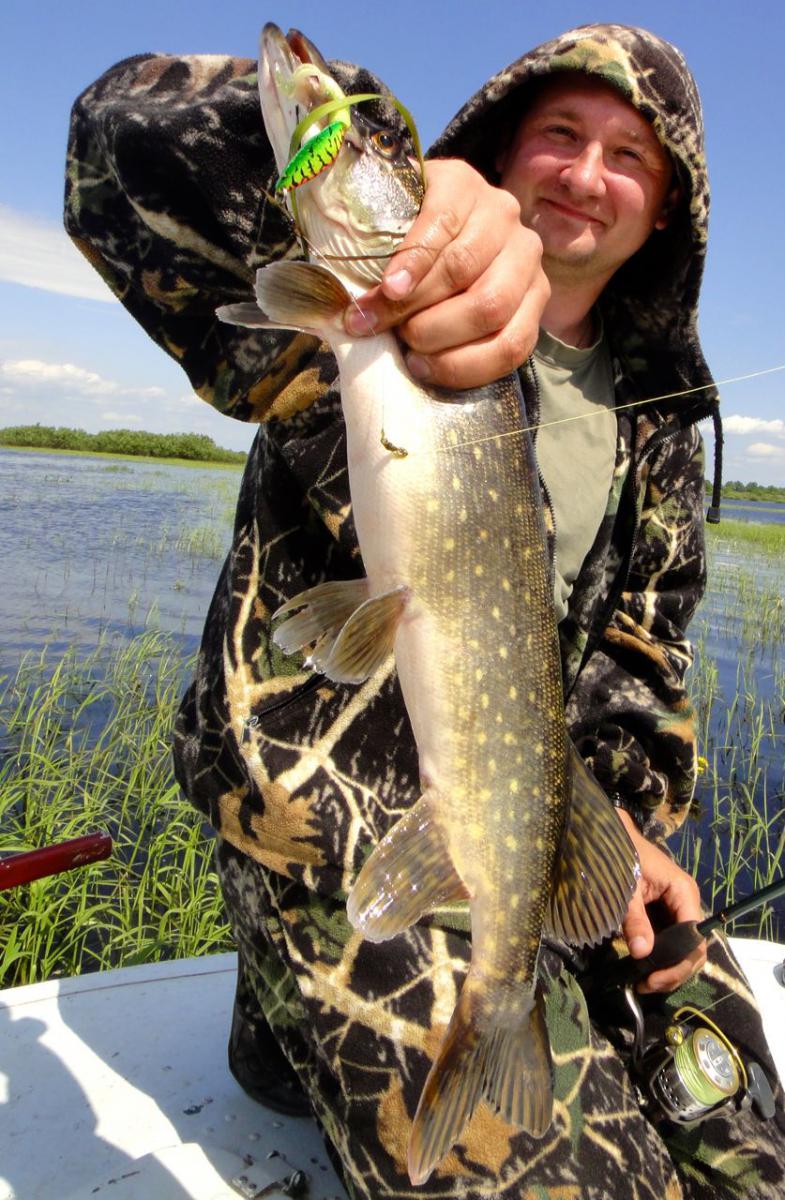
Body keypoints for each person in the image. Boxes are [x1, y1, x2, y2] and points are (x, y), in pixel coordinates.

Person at [65, 22, 784, 1199]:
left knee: (744, 1145)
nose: (584, 173)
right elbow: (119, 138)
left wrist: (622, 835)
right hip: (334, 832)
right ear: (497, 155)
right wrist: (397, 164)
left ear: (665, 211)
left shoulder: (658, 425)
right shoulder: (362, 312)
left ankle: (378, 1016)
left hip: (527, 830)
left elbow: (636, 666)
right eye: (558, 133)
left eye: (627, 156)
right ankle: (289, 1013)